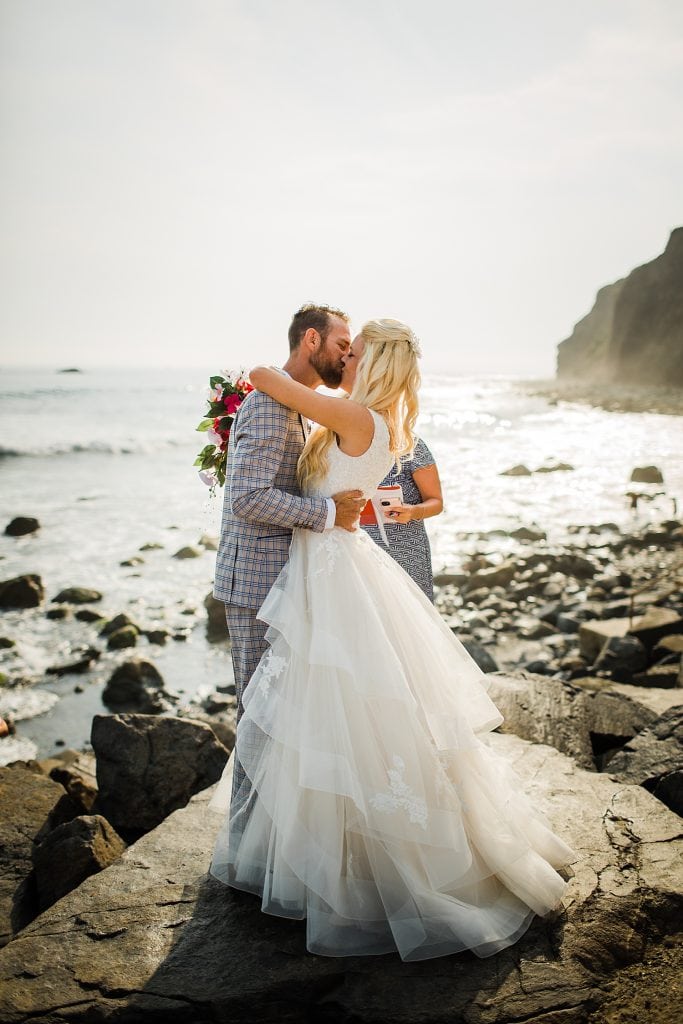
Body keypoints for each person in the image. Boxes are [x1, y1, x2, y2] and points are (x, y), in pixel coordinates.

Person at [209, 319, 576, 962]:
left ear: (373, 364)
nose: (346, 357)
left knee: (335, 717)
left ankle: (348, 867)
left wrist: (271, 383)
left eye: (356, 351)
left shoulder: (355, 417)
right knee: (341, 716)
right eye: (343, 348)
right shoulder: (379, 423)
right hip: (331, 570)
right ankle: (327, 851)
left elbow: (264, 379)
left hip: (330, 576)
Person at [213, 304, 367, 830]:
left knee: (284, 712)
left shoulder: (297, 404)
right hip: (254, 582)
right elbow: (248, 499)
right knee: (258, 715)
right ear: (310, 340)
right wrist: (328, 513)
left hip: (284, 578)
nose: (347, 353)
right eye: (342, 342)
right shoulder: (265, 405)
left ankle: (275, 840)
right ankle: (243, 844)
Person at [361, 436, 443, 600]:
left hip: (406, 552)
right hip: (359, 552)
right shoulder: (341, 442)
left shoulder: (410, 445)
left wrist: (413, 511)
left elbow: (437, 502)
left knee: (413, 614)